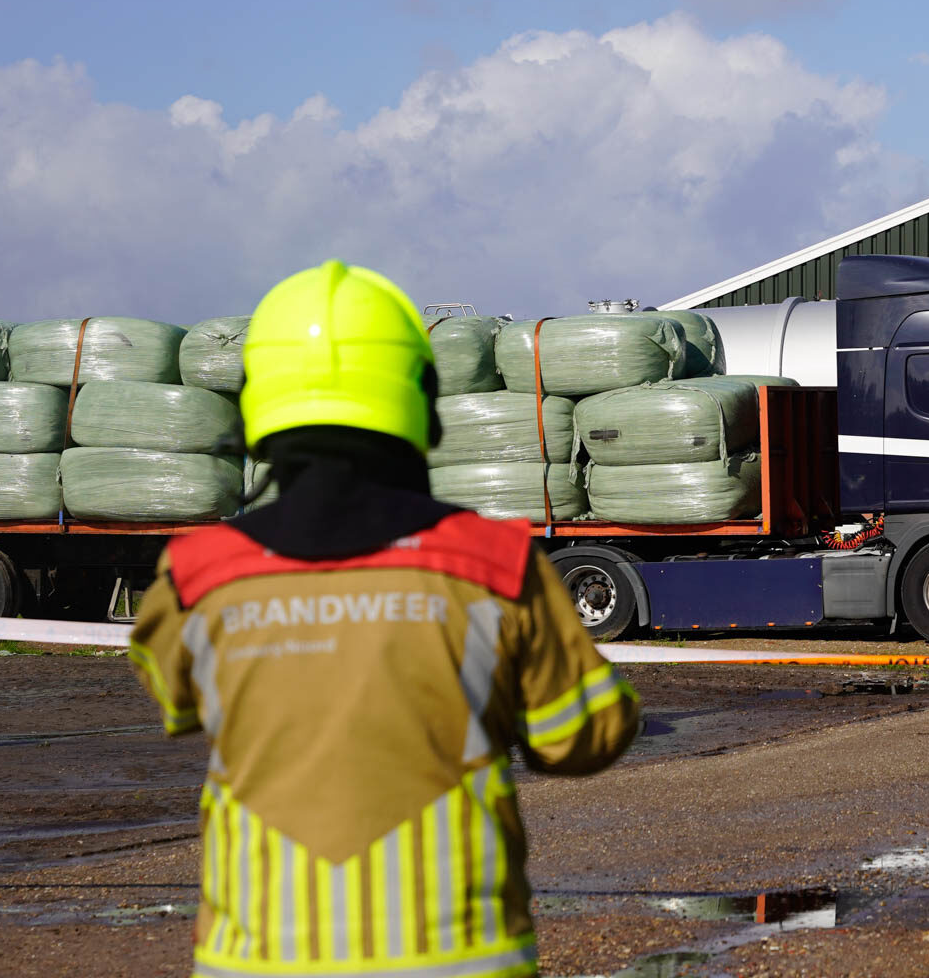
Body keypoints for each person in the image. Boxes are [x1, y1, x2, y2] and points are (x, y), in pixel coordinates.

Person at [128, 261, 639, 978]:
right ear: (424, 401)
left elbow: (177, 701)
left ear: (254, 405)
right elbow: (580, 739)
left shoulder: (195, 576)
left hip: (259, 959)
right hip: (458, 957)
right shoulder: (494, 565)